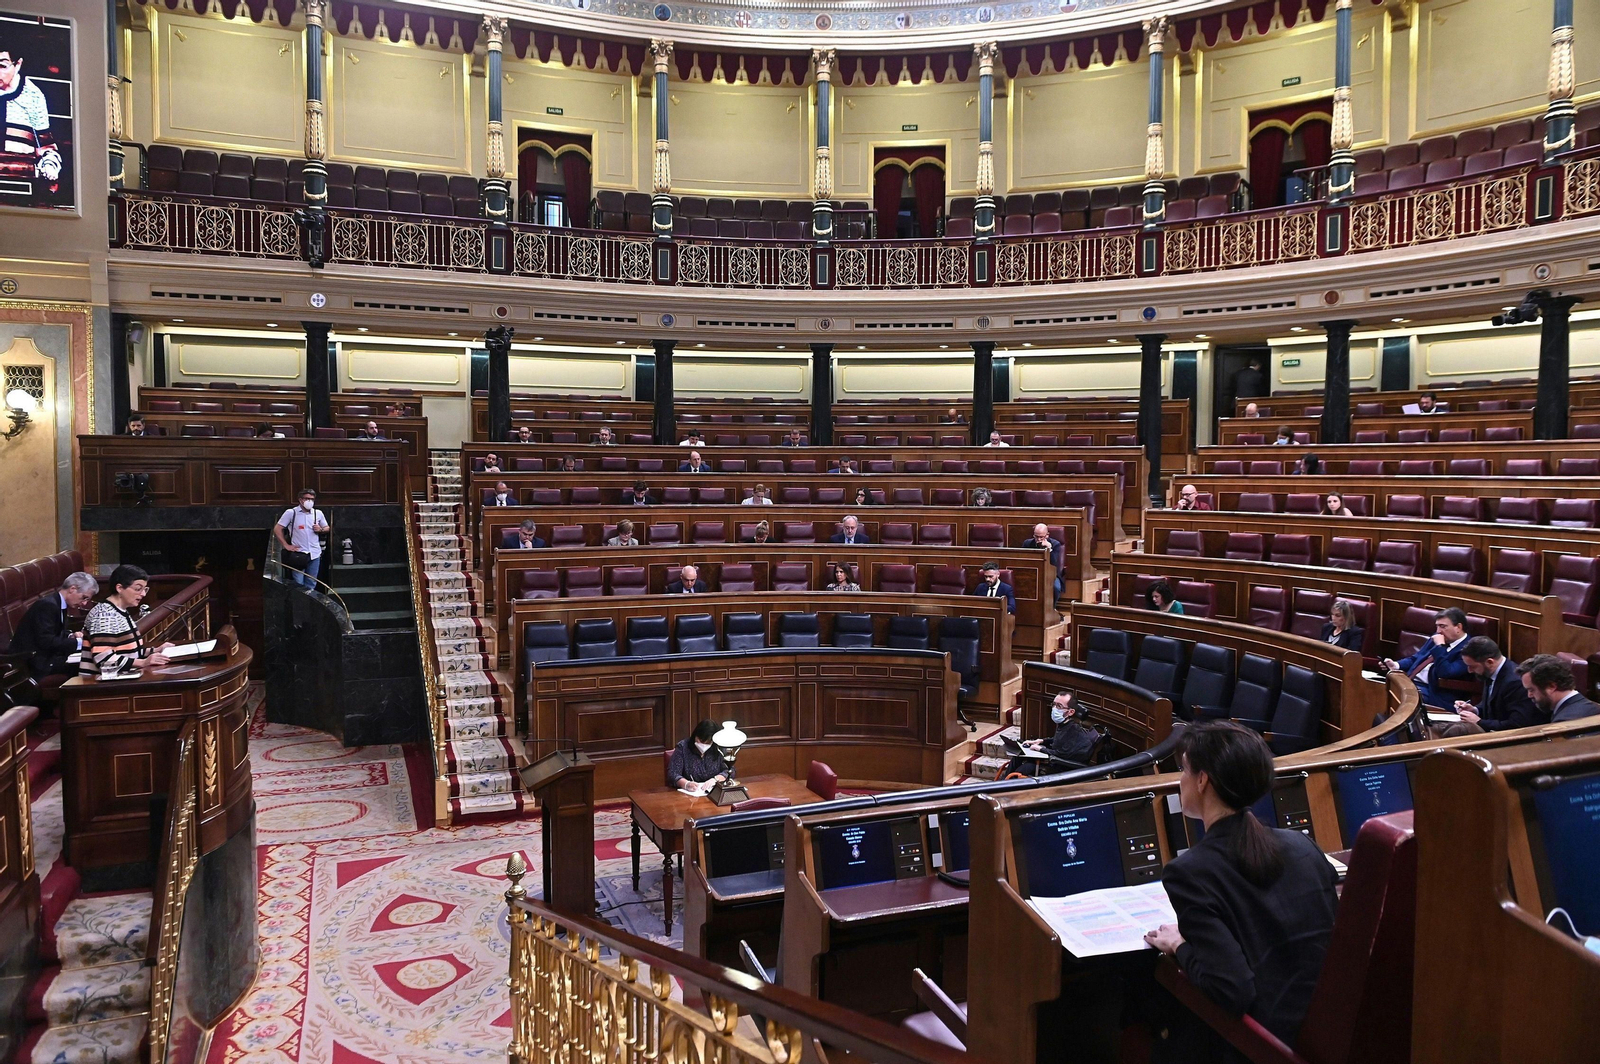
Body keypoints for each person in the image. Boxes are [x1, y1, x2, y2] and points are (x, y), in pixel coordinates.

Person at [1143, 722, 1338, 1055]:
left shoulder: (1189, 873)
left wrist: (1179, 945)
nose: (1180, 780)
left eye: (1184, 770)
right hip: (1330, 1031)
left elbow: (1231, 989)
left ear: (1203, 780)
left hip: (1263, 1047)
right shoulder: (1302, 844)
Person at [79, 565, 177, 679]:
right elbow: (104, 660)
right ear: (119, 588)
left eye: (145, 589)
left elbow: (129, 652)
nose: (143, 594)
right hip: (100, 684)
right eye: (138, 589)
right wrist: (143, 662)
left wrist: (156, 650)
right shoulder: (104, 615)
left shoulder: (120, 611)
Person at [1443, 638, 1541, 734]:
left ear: (1490, 662)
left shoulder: (1514, 682)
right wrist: (1475, 710)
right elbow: (1494, 706)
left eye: (1472, 666)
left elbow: (1517, 724)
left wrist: (1479, 722)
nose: (1469, 671)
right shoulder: (1489, 672)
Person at [12, 571, 96, 680]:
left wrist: (70, 635)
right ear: (72, 589)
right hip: (34, 663)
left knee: (87, 663)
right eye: (84, 597)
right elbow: (46, 641)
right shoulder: (47, 605)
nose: (84, 603)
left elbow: (54, 632)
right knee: (87, 667)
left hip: (47, 657)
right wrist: (81, 643)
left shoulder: (58, 603)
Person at [0, 44, 64, 188]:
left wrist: (49, 166)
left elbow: (46, 147)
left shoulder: (33, 96)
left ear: (18, 64)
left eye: (2, 66)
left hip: (20, 182)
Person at [1381, 607, 1469, 708]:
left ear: (1458, 627)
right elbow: (1416, 658)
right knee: (1379, 688)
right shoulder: (1437, 638)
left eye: (1443, 626)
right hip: (1410, 682)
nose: (1438, 631)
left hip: (1433, 692)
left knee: (1398, 696)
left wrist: (1440, 647)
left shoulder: (1468, 649)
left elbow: (1445, 672)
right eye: (1437, 626)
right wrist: (1396, 665)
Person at [1004, 691, 1099, 776]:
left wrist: (1040, 749)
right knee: (1018, 757)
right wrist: (1040, 741)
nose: (1054, 708)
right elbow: (1058, 740)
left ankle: (1006, 786)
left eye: (1059, 706)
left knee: (1024, 769)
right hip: (1057, 759)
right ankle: (1001, 785)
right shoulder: (1065, 725)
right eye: (1054, 704)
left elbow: (1061, 754)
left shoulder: (1073, 730)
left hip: (1063, 766)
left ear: (1070, 712)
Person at [1518, 654, 1600, 723]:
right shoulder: (1593, 707)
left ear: (1551, 686)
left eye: (1531, 690)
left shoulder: (1563, 724)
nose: (1529, 695)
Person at [274, 489, 329, 588]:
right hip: (298, 553)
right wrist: (286, 545)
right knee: (298, 583)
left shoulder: (318, 513)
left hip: (314, 553)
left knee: (311, 582)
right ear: (300, 500)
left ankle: (309, 598)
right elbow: (277, 528)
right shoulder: (291, 513)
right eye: (307, 498)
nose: (309, 501)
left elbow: (327, 527)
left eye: (312, 499)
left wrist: (320, 529)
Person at [666, 719, 729, 790]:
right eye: (700, 740)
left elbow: (729, 771)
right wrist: (686, 784)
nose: (703, 744)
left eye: (708, 743)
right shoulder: (683, 747)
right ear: (695, 735)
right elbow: (672, 774)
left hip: (713, 792)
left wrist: (716, 779)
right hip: (689, 793)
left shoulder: (719, 748)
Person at [1021, 522, 1065, 595]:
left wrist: (1049, 549)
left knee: (1056, 588)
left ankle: (1053, 603)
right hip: (1031, 573)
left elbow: (1053, 563)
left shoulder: (1055, 544)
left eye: (1041, 537)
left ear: (1047, 535)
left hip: (1050, 574)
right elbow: (1022, 561)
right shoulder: (1027, 543)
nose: (1038, 539)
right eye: (1036, 536)